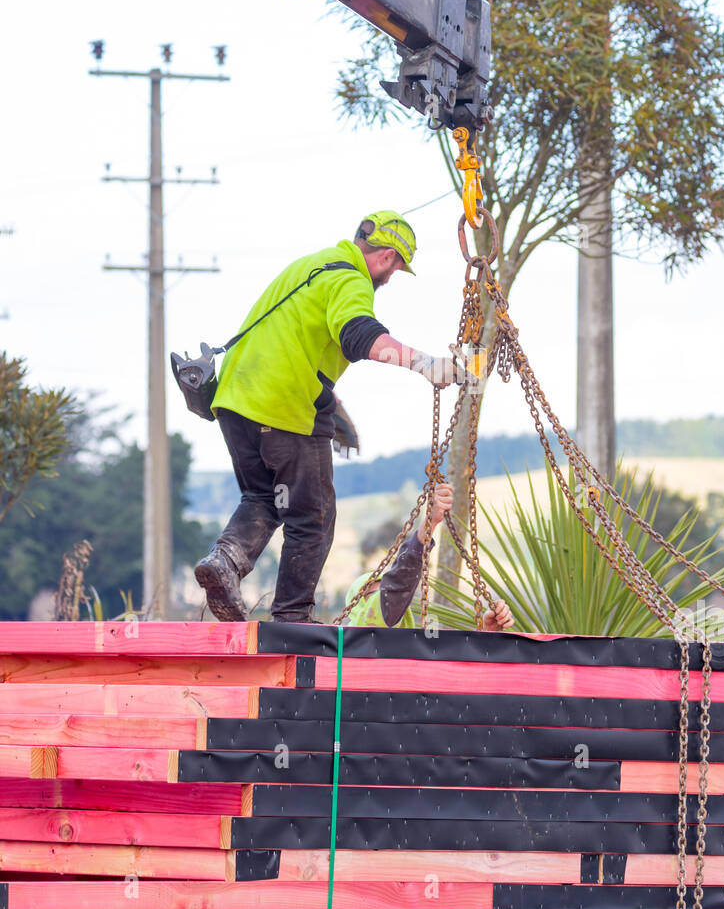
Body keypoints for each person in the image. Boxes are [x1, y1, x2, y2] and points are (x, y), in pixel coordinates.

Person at [194, 211, 463, 623]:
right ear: (388, 257)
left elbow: (289, 341)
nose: (389, 280)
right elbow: (360, 335)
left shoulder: (310, 265)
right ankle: (292, 617)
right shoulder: (352, 280)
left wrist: (331, 404)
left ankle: (225, 560)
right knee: (313, 514)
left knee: (264, 495)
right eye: (395, 269)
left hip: (234, 400)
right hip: (283, 407)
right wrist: (428, 365)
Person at [345, 482, 514, 631]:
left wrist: (489, 633)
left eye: (384, 590)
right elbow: (399, 583)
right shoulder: (356, 639)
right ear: (357, 608)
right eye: (373, 595)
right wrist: (428, 524)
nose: (385, 596)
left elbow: (455, 665)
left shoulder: (414, 649)